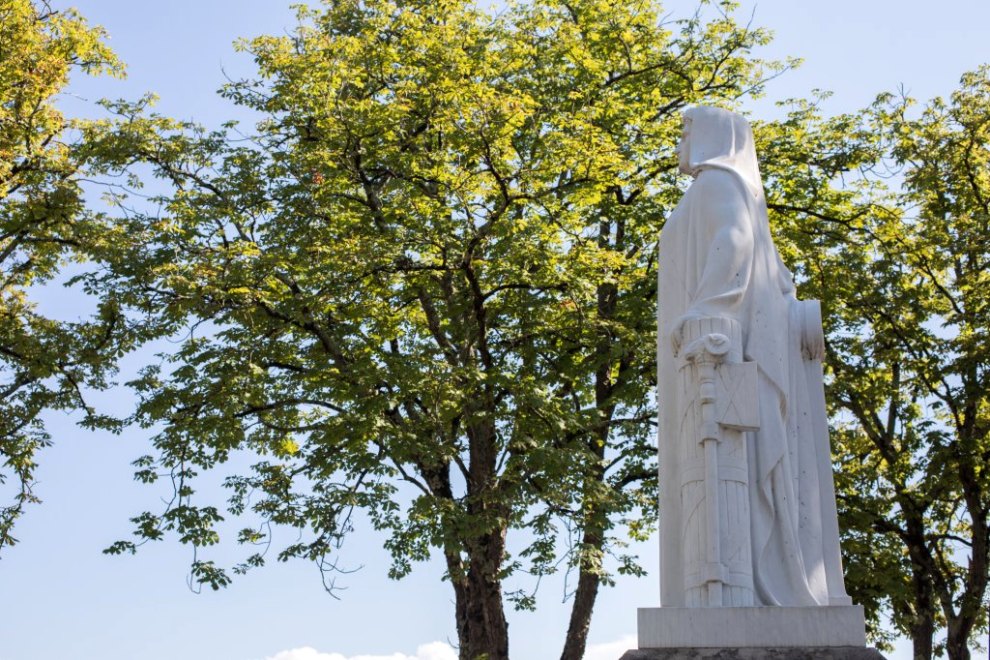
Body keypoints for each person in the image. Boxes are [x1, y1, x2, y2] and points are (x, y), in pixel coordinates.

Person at [657, 106, 850, 608]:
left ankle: (752, 592)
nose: (680, 141)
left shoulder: (716, 183)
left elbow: (733, 240)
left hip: (724, 359)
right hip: (732, 355)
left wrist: (706, 309)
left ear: (711, 136)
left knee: (731, 472)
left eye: (686, 130)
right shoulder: (727, 187)